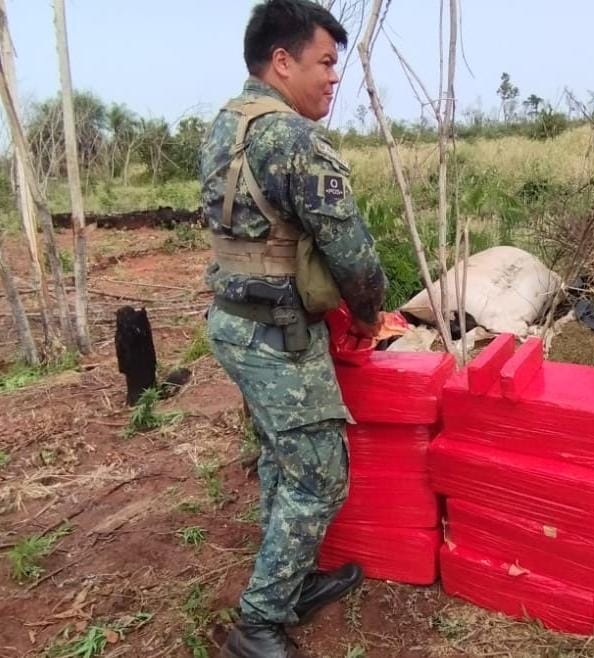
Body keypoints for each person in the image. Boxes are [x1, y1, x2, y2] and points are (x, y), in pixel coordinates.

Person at [199, 1, 386, 656]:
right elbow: (353, 253)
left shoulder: (228, 123)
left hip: (234, 322)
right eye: (325, 63)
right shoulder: (293, 139)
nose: (334, 78)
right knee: (318, 472)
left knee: (282, 454)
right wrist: (370, 314)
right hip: (275, 332)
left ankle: (291, 579)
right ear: (283, 62)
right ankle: (258, 623)